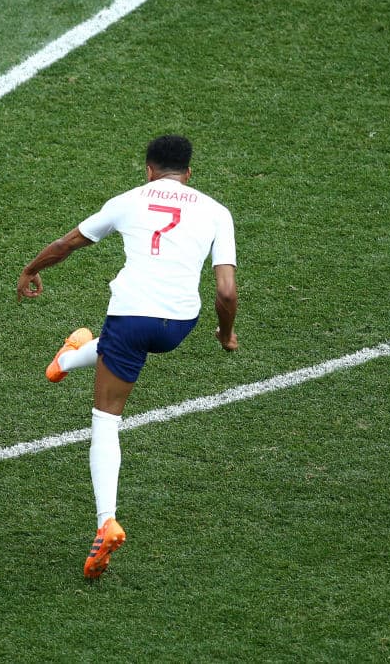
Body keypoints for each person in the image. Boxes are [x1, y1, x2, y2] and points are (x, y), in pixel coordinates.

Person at [17, 134, 238, 580]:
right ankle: (67, 359)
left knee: (105, 420)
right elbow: (226, 290)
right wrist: (226, 334)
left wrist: (30, 269)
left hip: (130, 316)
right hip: (178, 326)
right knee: (121, 347)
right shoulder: (217, 211)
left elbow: (66, 244)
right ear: (190, 173)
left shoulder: (130, 200)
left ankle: (106, 522)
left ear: (149, 169)